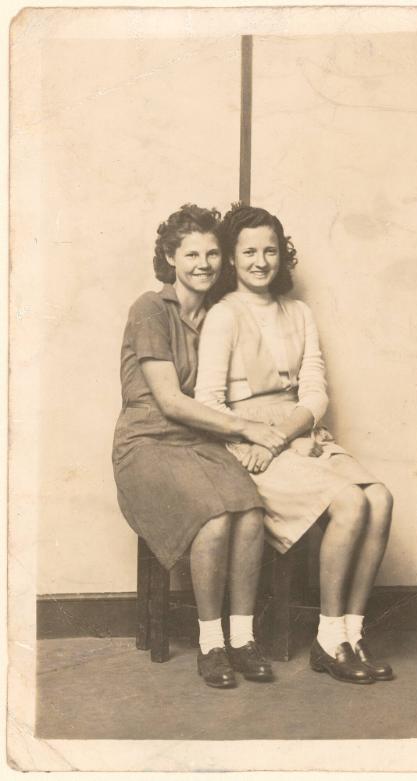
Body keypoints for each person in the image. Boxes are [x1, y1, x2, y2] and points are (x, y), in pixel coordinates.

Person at [195, 203, 394, 685]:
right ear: (232, 258)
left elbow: (315, 392)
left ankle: (351, 631)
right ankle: (329, 642)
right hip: (247, 446)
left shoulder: (299, 312)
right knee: (349, 502)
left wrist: (286, 436)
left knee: (380, 499)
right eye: (248, 252)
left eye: (269, 250)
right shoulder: (223, 316)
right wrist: (258, 439)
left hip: (296, 436)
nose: (260, 261)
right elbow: (208, 400)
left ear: (283, 256)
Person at [112, 204, 286, 689]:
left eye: (212, 254)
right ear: (170, 258)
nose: (204, 264)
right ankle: (211, 645)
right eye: (192, 254)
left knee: (250, 511)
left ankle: (243, 638)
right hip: (146, 444)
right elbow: (170, 401)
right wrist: (247, 430)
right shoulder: (150, 308)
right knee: (213, 519)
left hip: (199, 441)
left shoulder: (219, 313)